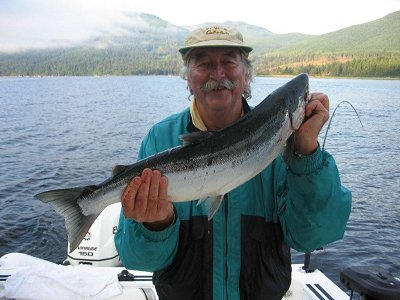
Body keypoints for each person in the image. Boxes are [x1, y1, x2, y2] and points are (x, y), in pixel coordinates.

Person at [115, 26, 352, 300]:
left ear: (246, 74)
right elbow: (137, 259)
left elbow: (313, 237)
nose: (217, 74)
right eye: (203, 63)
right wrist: (155, 225)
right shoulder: (160, 139)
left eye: (229, 61)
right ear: (188, 78)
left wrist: (307, 153)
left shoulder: (288, 145)